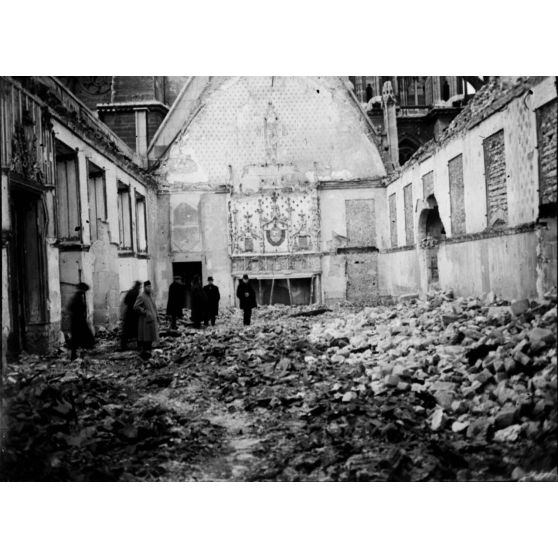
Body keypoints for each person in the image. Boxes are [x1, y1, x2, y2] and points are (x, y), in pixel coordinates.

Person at [68, 282, 95, 360]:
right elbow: (75, 308)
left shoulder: (78, 296)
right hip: (78, 320)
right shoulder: (78, 296)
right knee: (78, 338)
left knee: (76, 339)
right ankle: (76, 355)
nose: (85, 291)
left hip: (78, 320)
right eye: (85, 290)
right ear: (82, 289)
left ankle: (76, 354)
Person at [133, 280, 159, 359]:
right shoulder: (141, 296)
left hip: (152, 319)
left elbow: (154, 307)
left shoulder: (150, 295)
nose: (150, 288)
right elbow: (135, 307)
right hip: (146, 321)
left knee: (151, 338)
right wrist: (145, 312)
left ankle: (149, 354)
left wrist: (157, 316)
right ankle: (145, 355)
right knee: (146, 338)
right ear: (144, 287)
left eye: (150, 286)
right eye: (148, 287)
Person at [120, 281, 141, 350]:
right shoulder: (137, 293)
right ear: (138, 286)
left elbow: (125, 301)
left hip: (129, 313)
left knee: (126, 330)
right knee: (137, 329)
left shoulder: (130, 291)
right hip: (135, 314)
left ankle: (123, 345)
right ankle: (138, 345)